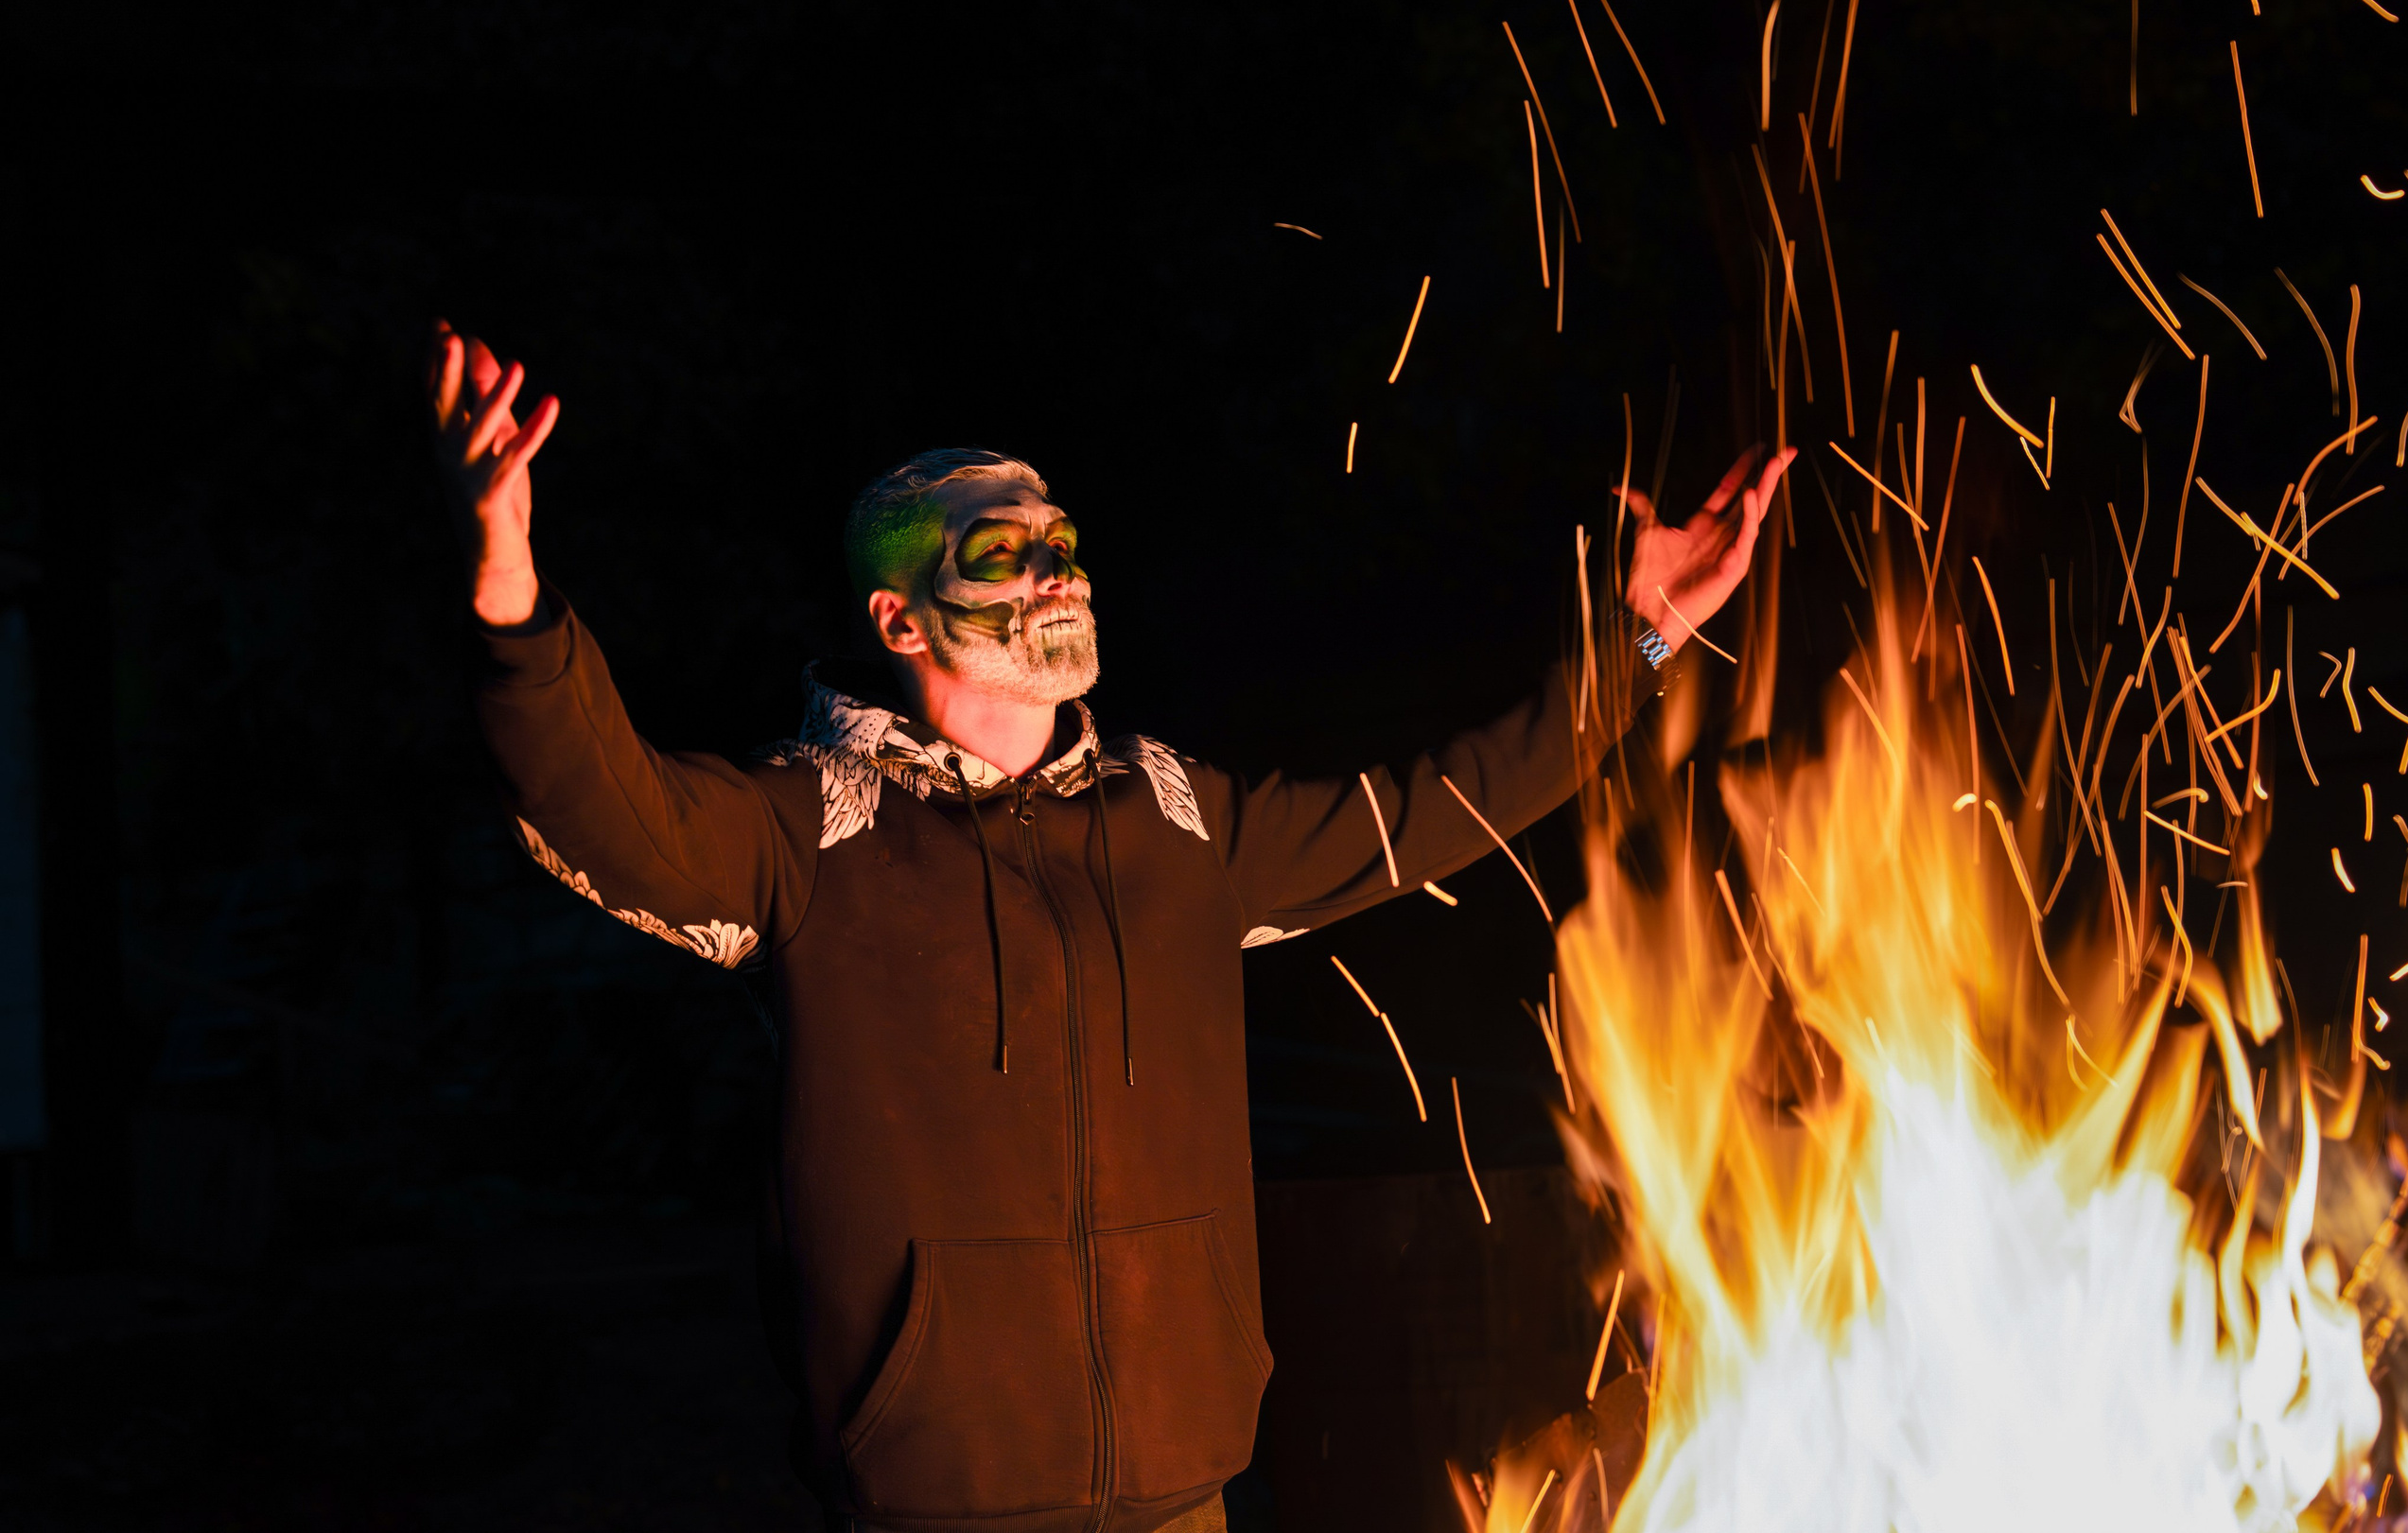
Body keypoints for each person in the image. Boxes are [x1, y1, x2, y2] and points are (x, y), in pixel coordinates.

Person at [432, 320, 1790, 1533]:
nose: (1054, 576)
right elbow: (599, 805)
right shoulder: (811, 835)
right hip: (945, 1498)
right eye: (1002, 555)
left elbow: (1436, 808)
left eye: (1062, 547)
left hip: (1183, 1494)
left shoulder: (1178, 823)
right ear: (898, 614)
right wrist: (509, 588)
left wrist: (1638, 639)